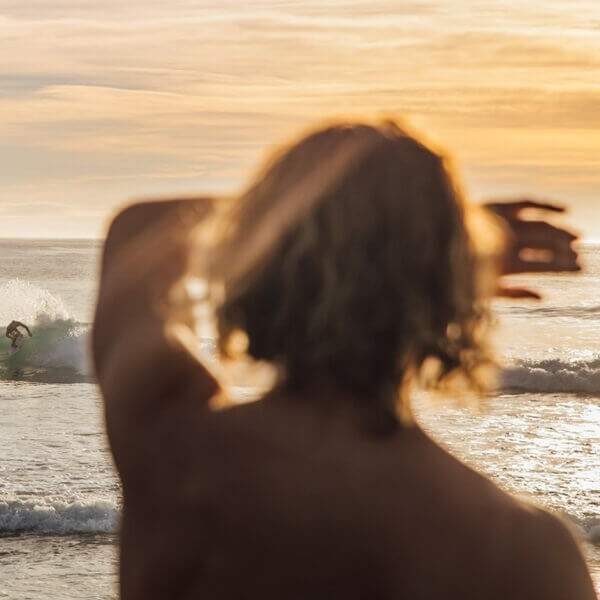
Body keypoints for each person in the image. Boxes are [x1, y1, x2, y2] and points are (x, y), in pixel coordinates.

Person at [92, 122, 595, 599]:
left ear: (263, 264)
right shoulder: (518, 549)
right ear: (448, 289)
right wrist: (431, 234)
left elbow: (138, 230)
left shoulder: (172, 443)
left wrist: (323, 217)